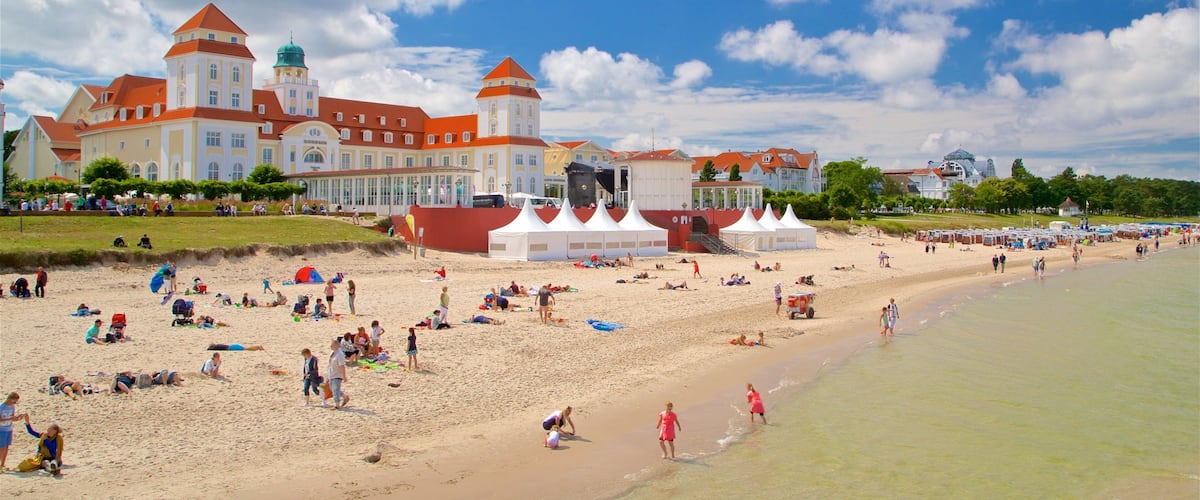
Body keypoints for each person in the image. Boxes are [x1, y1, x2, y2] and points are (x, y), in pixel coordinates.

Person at [0, 393, 25, 470]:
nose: (15, 403)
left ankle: (2, 464)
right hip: (1, 429)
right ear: (10, 399)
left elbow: (12, 417)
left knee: (7, 447)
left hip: (9, 429)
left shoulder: (12, 407)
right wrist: (9, 419)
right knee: (2, 447)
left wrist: (17, 418)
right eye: (14, 401)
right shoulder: (1, 407)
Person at [328, 339, 349, 409]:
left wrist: (344, 376)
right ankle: (345, 396)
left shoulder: (340, 354)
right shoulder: (333, 353)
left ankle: (337, 404)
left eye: (332, 345)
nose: (330, 346)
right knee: (332, 388)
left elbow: (342, 366)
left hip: (337, 374)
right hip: (331, 373)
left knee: (335, 390)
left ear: (336, 345)